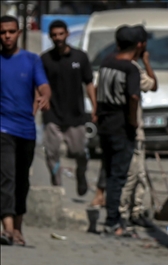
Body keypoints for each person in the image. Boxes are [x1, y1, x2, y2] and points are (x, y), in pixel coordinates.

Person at [0, 15, 50, 246]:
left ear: (18, 33)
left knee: (22, 180)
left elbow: (43, 85)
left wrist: (45, 96)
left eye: (11, 31)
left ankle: (18, 227)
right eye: (3, 32)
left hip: (26, 130)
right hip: (3, 128)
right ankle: (8, 228)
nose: (7, 36)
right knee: (6, 176)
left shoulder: (31, 60)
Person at [96, 25, 143, 236]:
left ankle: (111, 217)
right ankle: (113, 222)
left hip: (104, 125)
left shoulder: (106, 62)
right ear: (138, 45)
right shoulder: (130, 68)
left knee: (109, 171)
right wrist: (133, 122)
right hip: (120, 127)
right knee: (118, 176)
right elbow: (133, 97)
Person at [41, 19, 96, 194]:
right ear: (50, 37)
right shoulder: (45, 59)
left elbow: (89, 83)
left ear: (67, 34)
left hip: (76, 114)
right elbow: (39, 84)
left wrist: (94, 107)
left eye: (61, 34)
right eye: (54, 35)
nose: (58, 38)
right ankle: (57, 186)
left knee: (79, 151)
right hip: (52, 114)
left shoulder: (80, 57)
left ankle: (81, 175)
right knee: (52, 152)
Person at [119, 25, 157, 230]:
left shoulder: (116, 66)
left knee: (139, 174)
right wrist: (147, 62)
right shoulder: (133, 69)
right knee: (133, 175)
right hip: (132, 130)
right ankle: (124, 212)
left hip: (126, 129)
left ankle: (136, 210)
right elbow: (152, 85)